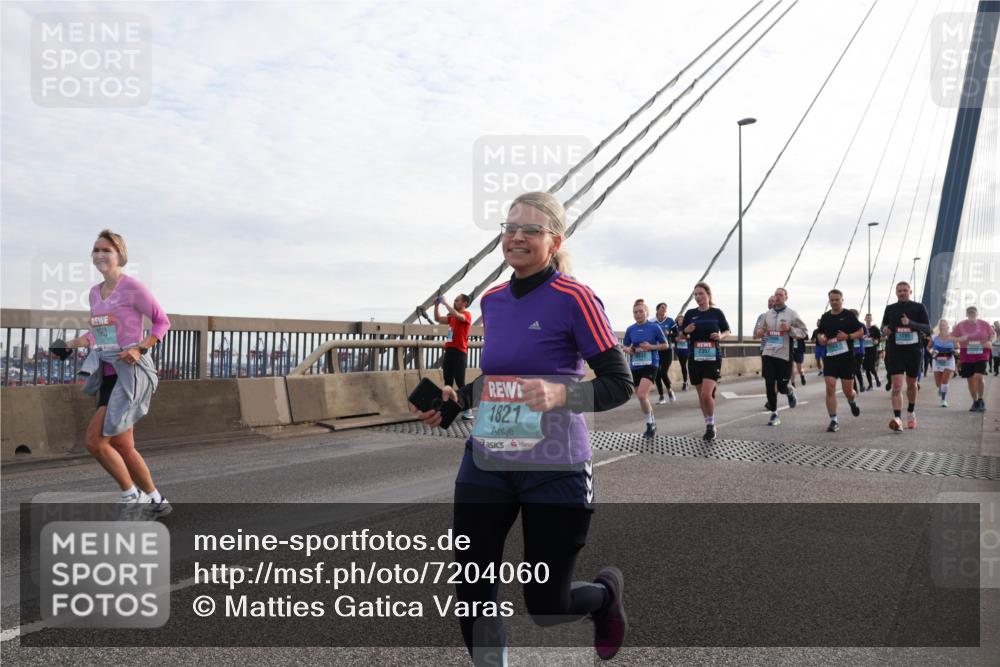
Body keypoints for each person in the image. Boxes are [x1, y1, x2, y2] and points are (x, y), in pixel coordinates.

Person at [409, 192, 633, 663]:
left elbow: (618, 383)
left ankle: (603, 597)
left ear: (555, 240)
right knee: (473, 587)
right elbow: (498, 376)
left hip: (554, 467)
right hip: (487, 460)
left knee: (547, 607)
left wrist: (561, 395)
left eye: (530, 229)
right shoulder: (493, 300)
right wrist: (456, 400)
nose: (516, 237)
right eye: (510, 228)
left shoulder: (576, 297)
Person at [48, 230, 171, 518]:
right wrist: (69, 344)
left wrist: (140, 348)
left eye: (107, 249)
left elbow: (161, 322)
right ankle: (155, 499)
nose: (100, 254)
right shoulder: (94, 292)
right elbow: (97, 334)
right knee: (123, 445)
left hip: (130, 373)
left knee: (95, 441)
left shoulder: (133, 288)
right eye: (96, 250)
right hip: (106, 372)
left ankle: (132, 497)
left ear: (120, 255)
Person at [682, 282, 730, 441]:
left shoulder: (716, 313)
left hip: (712, 358)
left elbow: (727, 330)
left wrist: (720, 336)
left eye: (701, 294)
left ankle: (711, 426)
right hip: (695, 359)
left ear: (708, 295)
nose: (698, 297)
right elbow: (681, 336)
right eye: (695, 294)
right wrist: (685, 331)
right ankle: (709, 422)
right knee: (702, 397)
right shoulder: (690, 314)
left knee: (706, 393)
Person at [880, 281, 931, 431]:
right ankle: (898, 418)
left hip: (913, 351)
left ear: (910, 291)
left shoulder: (918, 307)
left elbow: (927, 328)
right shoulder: (890, 308)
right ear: (896, 292)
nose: (902, 292)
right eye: (899, 290)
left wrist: (910, 323)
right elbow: (883, 326)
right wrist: (885, 330)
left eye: (905, 290)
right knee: (896, 385)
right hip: (895, 350)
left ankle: (910, 412)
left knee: (912, 384)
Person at [753, 288, 806, 427]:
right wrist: (760, 332)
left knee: (781, 387)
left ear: (786, 297)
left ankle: (788, 391)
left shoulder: (792, 314)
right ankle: (774, 414)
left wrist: (789, 329)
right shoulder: (767, 314)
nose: (777, 297)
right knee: (769, 384)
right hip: (768, 352)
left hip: (784, 354)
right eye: (775, 295)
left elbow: (804, 332)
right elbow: (760, 330)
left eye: (780, 295)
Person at [815, 290, 864, 432]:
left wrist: (848, 336)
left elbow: (861, 332)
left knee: (848, 391)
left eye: (837, 299)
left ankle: (852, 401)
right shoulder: (825, 316)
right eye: (832, 300)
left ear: (842, 300)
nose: (834, 302)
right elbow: (820, 332)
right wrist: (821, 338)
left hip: (846, 358)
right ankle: (833, 420)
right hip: (830, 357)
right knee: (830, 386)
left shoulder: (848, 315)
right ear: (829, 301)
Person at [624, 300, 669, 436]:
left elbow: (665, 345)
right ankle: (651, 420)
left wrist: (651, 347)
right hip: (636, 365)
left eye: (641, 311)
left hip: (651, 364)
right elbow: (625, 346)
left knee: (643, 394)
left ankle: (650, 424)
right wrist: (629, 350)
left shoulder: (654, 327)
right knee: (641, 397)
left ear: (647, 313)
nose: (638, 314)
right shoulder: (630, 329)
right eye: (635, 312)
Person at [434, 293, 475, 420]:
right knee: (447, 381)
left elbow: (458, 316)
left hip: (460, 352)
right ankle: (448, 409)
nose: (454, 302)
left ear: (464, 303)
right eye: (454, 300)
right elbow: (438, 319)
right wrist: (436, 306)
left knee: (460, 382)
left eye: (457, 300)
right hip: (449, 351)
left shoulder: (466, 315)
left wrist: (445, 303)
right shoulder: (451, 317)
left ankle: (468, 410)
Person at [951, 306, 995, 412]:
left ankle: (981, 399)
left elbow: (993, 334)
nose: (972, 315)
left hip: (982, 353)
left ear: (977, 314)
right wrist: (958, 340)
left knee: (979, 376)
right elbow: (952, 336)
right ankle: (975, 402)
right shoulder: (961, 325)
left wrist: (990, 341)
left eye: (973, 313)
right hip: (966, 354)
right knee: (970, 380)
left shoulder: (984, 324)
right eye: (970, 313)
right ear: (967, 314)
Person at [652, 302, 677, 404]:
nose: (664, 310)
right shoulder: (652, 322)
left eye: (665, 308)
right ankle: (661, 397)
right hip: (657, 350)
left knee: (663, 372)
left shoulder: (670, 321)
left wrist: (669, 333)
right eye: (662, 308)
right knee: (657, 374)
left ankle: (670, 390)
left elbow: (677, 334)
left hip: (667, 350)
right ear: (657, 310)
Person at [928, 319, 956, 407]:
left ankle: (943, 399)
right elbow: (928, 347)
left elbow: (958, 347)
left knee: (944, 381)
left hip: (949, 361)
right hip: (937, 361)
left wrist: (956, 351)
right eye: (941, 325)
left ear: (947, 327)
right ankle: (941, 388)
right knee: (938, 383)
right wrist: (932, 351)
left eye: (944, 325)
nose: (942, 326)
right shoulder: (934, 337)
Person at [861, 313, 882, 390]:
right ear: (865, 319)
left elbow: (879, 338)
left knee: (871, 367)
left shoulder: (875, 328)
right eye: (867, 318)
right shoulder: (862, 328)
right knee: (866, 368)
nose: (868, 319)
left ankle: (876, 379)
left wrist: (876, 341)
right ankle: (870, 385)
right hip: (864, 350)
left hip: (872, 350)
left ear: (871, 319)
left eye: (870, 318)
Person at [849, 309, 867, 391]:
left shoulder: (861, 325)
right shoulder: (846, 325)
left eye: (854, 315)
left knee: (856, 369)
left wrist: (859, 336)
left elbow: (866, 335)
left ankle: (861, 384)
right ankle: (854, 388)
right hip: (849, 351)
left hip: (859, 351)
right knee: (851, 370)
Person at [673, 314, 690, 390]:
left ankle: (685, 382)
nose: (681, 321)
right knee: (682, 366)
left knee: (685, 366)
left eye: (682, 320)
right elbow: (672, 337)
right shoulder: (675, 328)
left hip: (686, 350)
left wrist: (687, 336)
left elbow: (690, 336)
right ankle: (685, 381)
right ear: (677, 321)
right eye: (679, 320)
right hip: (679, 350)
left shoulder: (686, 328)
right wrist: (675, 338)